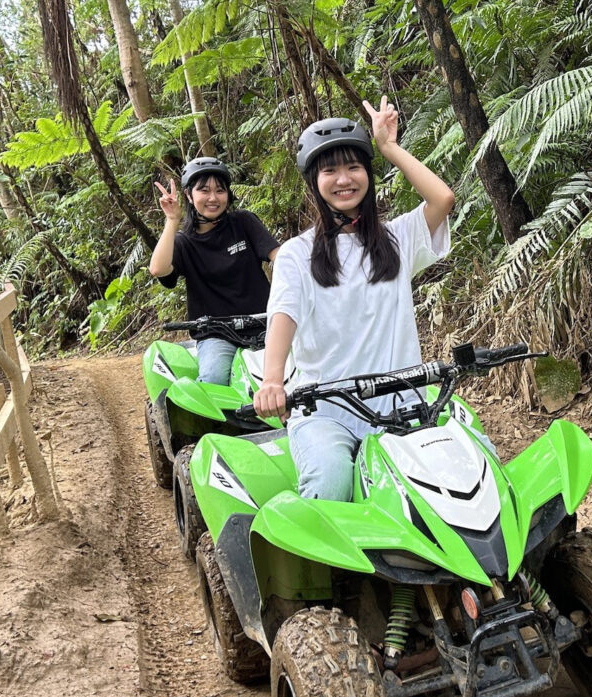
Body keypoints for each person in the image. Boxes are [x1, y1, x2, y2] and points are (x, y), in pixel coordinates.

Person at [253, 97, 456, 501]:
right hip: (326, 411)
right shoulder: (297, 253)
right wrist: (273, 379)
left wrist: (389, 148)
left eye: (353, 166)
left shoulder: (397, 238)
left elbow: (443, 199)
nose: (343, 179)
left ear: (368, 173)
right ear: (314, 182)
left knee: (471, 464)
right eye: (330, 170)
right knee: (329, 483)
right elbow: (283, 315)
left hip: (403, 404)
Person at [148, 157, 280, 385]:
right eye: (204, 190)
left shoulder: (243, 222)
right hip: (216, 335)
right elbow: (158, 269)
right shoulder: (184, 242)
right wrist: (172, 220)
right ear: (189, 195)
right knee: (213, 379)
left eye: (220, 190)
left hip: (265, 324)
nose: (213, 198)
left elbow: (281, 258)